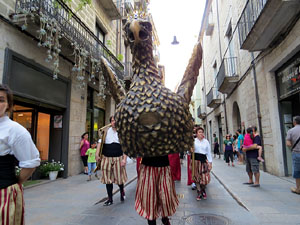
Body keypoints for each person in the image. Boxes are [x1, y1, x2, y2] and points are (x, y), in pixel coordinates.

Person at [0, 84, 41, 224]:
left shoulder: (15, 130)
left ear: (8, 105)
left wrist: (14, 182)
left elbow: (31, 163)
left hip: (3, 194)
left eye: (1, 100)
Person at [135, 155, 178, 225]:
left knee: (166, 199)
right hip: (148, 168)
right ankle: (153, 221)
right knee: (149, 202)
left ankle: (164, 217)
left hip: (164, 167)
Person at [96, 116, 127, 206]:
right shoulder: (105, 132)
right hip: (106, 158)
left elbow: (125, 148)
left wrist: (124, 159)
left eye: (116, 120)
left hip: (118, 158)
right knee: (107, 179)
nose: (114, 122)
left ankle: (122, 190)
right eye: (112, 120)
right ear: (110, 122)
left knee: (119, 179)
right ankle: (110, 199)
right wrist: (97, 155)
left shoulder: (122, 133)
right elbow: (99, 143)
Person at [190, 127, 212, 200]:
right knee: (196, 177)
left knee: (204, 178)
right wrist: (190, 150)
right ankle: (199, 191)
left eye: (202, 132)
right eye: (199, 132)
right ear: (196, 134)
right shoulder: (193, 141)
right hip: (195, 161)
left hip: (203, 161)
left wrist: (210, 163)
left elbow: (208, 153)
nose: (201, 133)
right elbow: (189, 151)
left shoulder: (206, 141)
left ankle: (203, 189)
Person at [286, 115, 300, 194]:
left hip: (296, 153)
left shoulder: (291, 131)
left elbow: (288, 143)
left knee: (297, 171)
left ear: (294, 122)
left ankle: (298, 188)